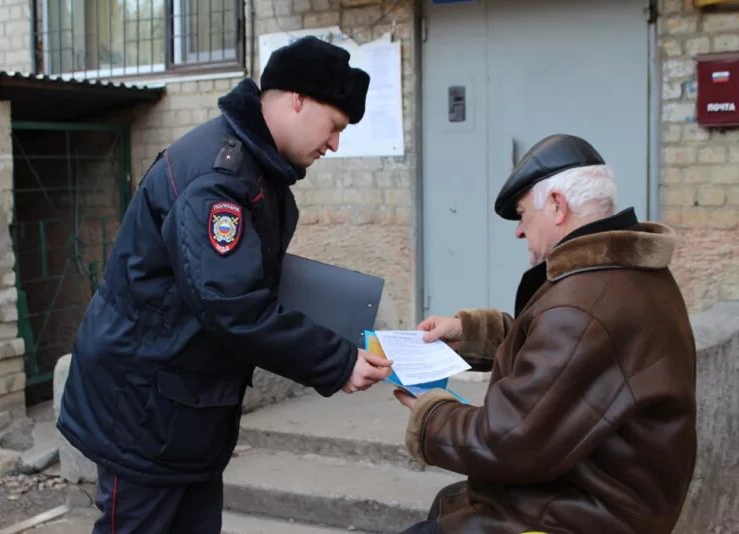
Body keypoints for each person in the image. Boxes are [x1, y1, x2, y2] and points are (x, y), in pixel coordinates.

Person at [57, 36, 391, 533]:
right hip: (145, 414)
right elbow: (231, 303)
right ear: (297, 99)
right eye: (335, 126)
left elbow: (243, 284)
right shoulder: (220, 179)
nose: (335, 144)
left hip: (183, 415)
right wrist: (335, 361)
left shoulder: (258, 172)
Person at [395, 134, 697, 533]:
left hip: (579, 516)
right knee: (445, 506)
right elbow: (569, 360)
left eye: (522, 215)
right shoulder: (624, 273)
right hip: (594, 497)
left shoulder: (585, 302)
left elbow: (504, 441)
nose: (519, 232)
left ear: (557, 205)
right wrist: (470, 334)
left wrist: (429, 413)